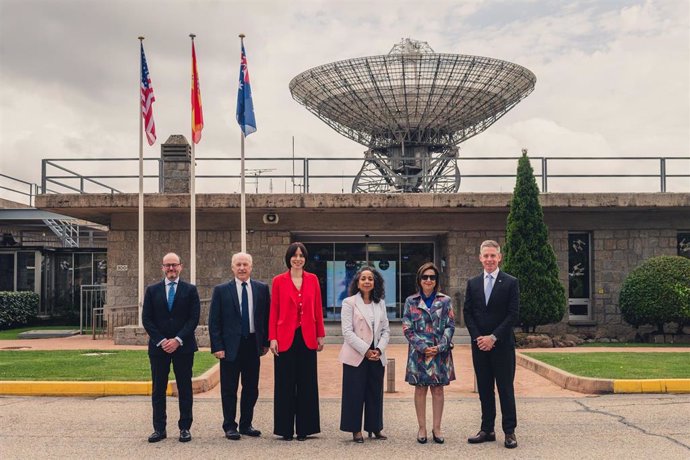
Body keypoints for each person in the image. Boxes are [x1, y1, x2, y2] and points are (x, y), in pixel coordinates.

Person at [463, 240, 520, 449]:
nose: (489, 259)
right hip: (479, 346)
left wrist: (493, 338)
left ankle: (509, 431)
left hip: (502, 346)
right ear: (480, 258)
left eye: (492, 256)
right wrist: (479, 337)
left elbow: (513, 314)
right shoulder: (473, 283)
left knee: (505, 389)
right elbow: (468, 312)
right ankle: (487, 429)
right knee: (485, 389)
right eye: (485, 256)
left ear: (499, 257)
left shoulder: (511, 282)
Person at [208, 252, 270, 440]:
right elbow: (214, 321)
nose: (242, 268)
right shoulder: (221, 290)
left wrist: (266, 342)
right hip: (229, 346)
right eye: (238, 265)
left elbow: (266, 317)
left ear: (251, 267)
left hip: (252, 344)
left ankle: (246, 424)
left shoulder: (261, 288)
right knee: (229, 388)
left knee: (251, 387)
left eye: (245, 264)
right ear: (232, 267)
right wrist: (217, 346)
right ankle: (229, 425)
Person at [268, 242, 326, 441]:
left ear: (305, 259)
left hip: (307, 336)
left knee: (307, 384)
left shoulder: (313, 280)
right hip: (285, 337)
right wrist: (272, 337)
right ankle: (285, 429)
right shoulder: (278, 281)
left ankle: (305, 429)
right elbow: (273, 310)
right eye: (295, 255)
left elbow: (318, 308)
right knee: (284, 384)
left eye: (301, 255)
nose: (298, 259)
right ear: (289, 258)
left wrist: (320, 334)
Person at [142, 252, 200, 443]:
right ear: (162, 268)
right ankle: (159, 429)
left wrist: (177, 339)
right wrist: (162, 340)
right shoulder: (152, 290)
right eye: (167, 265)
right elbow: (147, 319)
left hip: (183, 347)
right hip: (159, 349)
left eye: (174, 265)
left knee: (185, 388)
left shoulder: (190, 290)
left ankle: (185, 428)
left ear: (181, 267)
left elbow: (193, 319)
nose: (171, 269)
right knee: (158, 389)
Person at [402, 262, 455, 445]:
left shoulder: (445, 301)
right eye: (425, 277)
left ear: (436, 280)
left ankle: (437, 428)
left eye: (432, 277)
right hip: (419, 353)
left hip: (440, 353)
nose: (428, 280)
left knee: (438, 389)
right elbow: (407, 328)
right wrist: (423, 347)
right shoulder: (411, 301)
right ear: (419, 279)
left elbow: (450, 325)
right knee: (420, 388)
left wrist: (439, 347)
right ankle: (422, 427)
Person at [338, 266, 391, 443]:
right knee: (354, 393)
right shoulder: (349, 302)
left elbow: (386, 330)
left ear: (375, 282)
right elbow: (347, 332)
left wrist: (379, 349)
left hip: (376, 354)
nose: (367, 281)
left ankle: (374, 427)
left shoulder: (380, 303)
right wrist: (366, 350)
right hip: (357, 353)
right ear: (358, 282)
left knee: (375, 392)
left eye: (370, 278)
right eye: (363, 278)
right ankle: (355, 429)